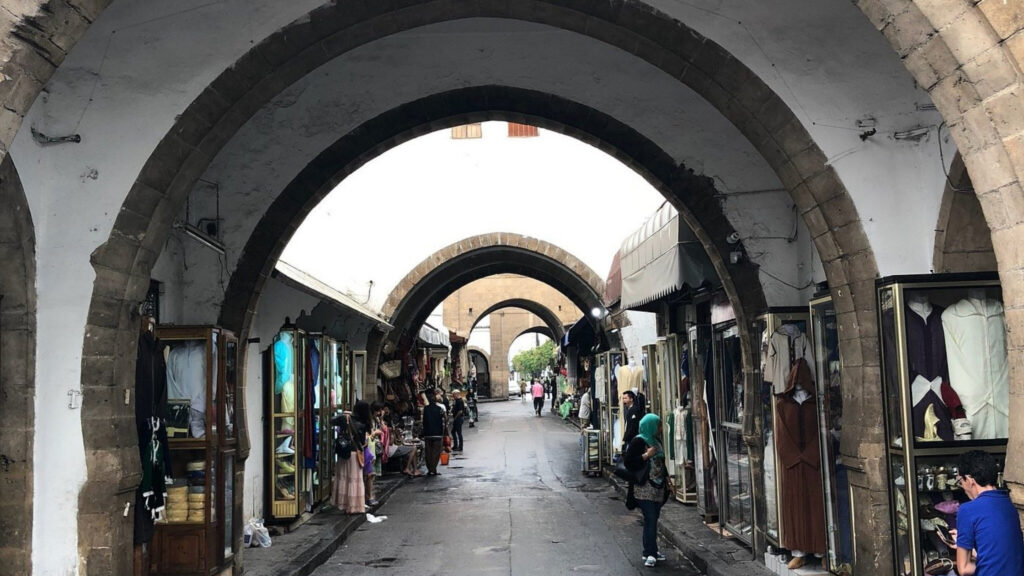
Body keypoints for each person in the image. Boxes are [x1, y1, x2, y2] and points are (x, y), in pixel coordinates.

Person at [943, 450, 1024, 575]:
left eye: (960, 481)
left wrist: (961, 544)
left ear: (970, 480)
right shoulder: (1009, 504)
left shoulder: (967, 510)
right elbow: (998, 555)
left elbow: (964, 569)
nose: (962, 487)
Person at [624, 413, 673, 568]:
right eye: (657, 425)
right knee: (650, 518)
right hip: (644, 488)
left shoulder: (656, 440)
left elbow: (660, 461)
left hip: (658, 487)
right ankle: (650, 553)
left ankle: (651, 550)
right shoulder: (638, 441)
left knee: (652, 519)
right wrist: (646, 455)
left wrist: (667, 478)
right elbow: (629, 463)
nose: (659, 428)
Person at [330, 410, 366, 514]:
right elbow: (363, 442)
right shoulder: (360, 425)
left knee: (344, 478)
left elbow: (331, 421)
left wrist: (343, 416)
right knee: (354, 480)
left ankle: (344, 504)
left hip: (344, 454)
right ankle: (354, 506)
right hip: (354, 454)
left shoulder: (342, 424)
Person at [352, 401, 379, 507]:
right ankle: (368, 497)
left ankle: (365, 497)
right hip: (363, 450)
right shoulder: (364, 423)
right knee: (368, 474)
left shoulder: (353, 420)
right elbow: (365, 440)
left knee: (365, 475)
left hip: (359, 450)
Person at [421, 389, 446, 475]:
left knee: (428, 452)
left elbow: (423, 421)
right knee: (436, 452)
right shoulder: (440, 409)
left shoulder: (426, 409)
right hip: (437, 433)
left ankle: (430, 469)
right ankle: (433, 468)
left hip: (428, 433)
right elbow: (445, 418)